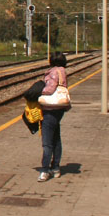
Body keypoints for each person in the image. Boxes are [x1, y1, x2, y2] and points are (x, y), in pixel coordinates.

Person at [38, 51, 70, 182]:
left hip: (50, 107)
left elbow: (50, 89)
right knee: (56, 138)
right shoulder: (62, 71)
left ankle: (45, 170)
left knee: (47, 142)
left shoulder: (53, 72)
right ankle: (56, 168)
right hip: (60, 107)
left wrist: (39, 90)